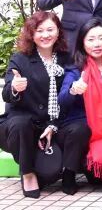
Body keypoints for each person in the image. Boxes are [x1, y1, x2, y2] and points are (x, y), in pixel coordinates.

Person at [1, 11, 90, 197]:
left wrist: (74, 90)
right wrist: (15, 87)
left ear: (58, 32)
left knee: (80, 129)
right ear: (31, 34)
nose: (45, 35)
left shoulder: (66, 58)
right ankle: (28, 173)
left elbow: (69, 93)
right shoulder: (20, 59)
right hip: (27, 127)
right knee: (20, 124)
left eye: (50, 29)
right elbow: (7, 93)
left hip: (56, 123)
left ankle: (69, 174)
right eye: (39, 30)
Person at [58, 18, 102, 184]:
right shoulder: (76, 69)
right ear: (82, 42)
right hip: (84, 127)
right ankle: (70, 171)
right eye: (91, 39)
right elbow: (62, 100)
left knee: (97, 180)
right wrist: (73, 90)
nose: (97, 44)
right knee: (80, 131)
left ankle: (90, 163)